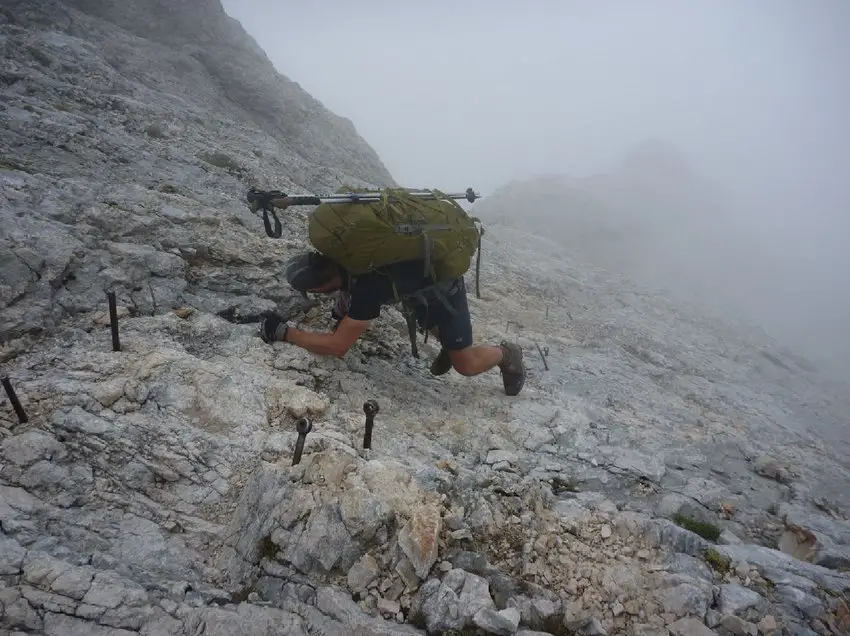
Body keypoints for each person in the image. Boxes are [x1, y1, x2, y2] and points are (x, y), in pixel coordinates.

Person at [258, 250, 526, 396]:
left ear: (322, 285)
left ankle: (506, 354)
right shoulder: (350, 260)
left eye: (315, 291)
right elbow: (345, 306)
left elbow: (338, 346)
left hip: (443, 292)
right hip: (418, 288)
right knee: (436, 327)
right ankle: (448, 340)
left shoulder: (367, 288)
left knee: (465, 364)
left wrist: (284, 333)